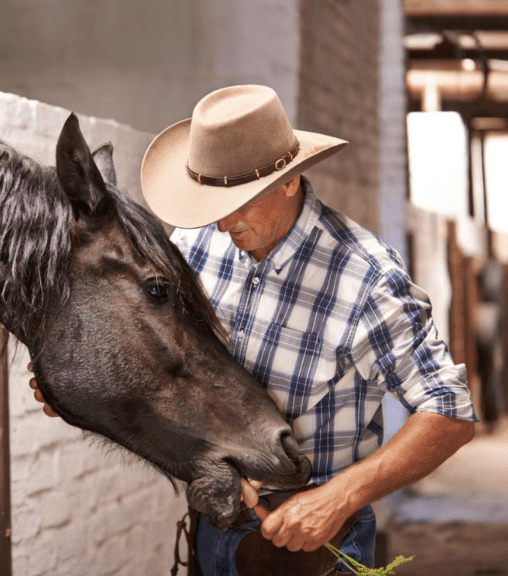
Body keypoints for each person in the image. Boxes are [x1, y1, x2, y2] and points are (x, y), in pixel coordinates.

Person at [32, 84, 477, 575]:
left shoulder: (366, 277)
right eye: (214, 201)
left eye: (242, 201)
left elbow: (449, 412)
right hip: (212, 533)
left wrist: (339, 497)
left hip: (316, 550)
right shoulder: (198, 244)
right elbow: (171, 369)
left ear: (290, 179)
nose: (225, 224)